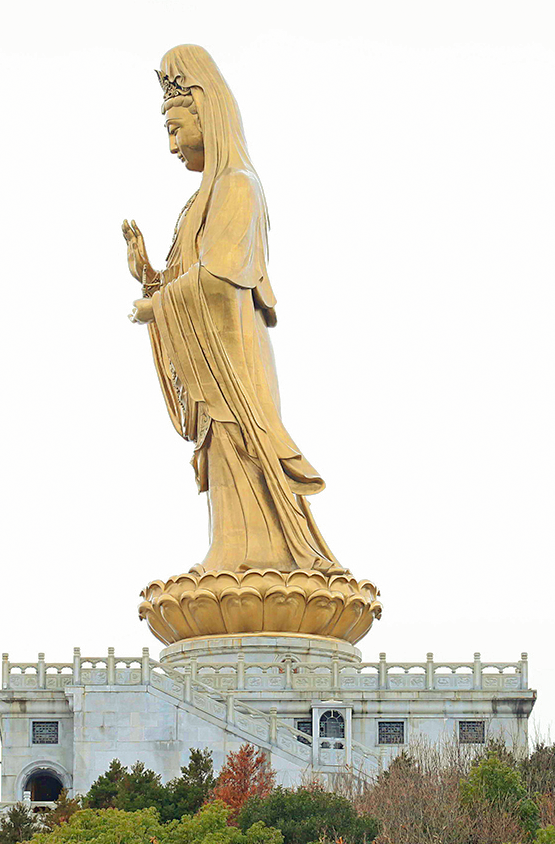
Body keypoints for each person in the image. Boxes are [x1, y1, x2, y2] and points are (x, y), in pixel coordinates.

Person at [123, 44, 344, 575]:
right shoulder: (200, 200)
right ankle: (232, 548)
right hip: (209, 357)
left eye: (175, 129)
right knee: (220, 451)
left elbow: (220, 280)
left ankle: (259, 555)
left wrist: (156, 306)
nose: (171, 146)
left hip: (234, 358)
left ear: (206, 114)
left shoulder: (238, 186)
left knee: (242, 446)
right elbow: (190, 277)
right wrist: (151, 276)